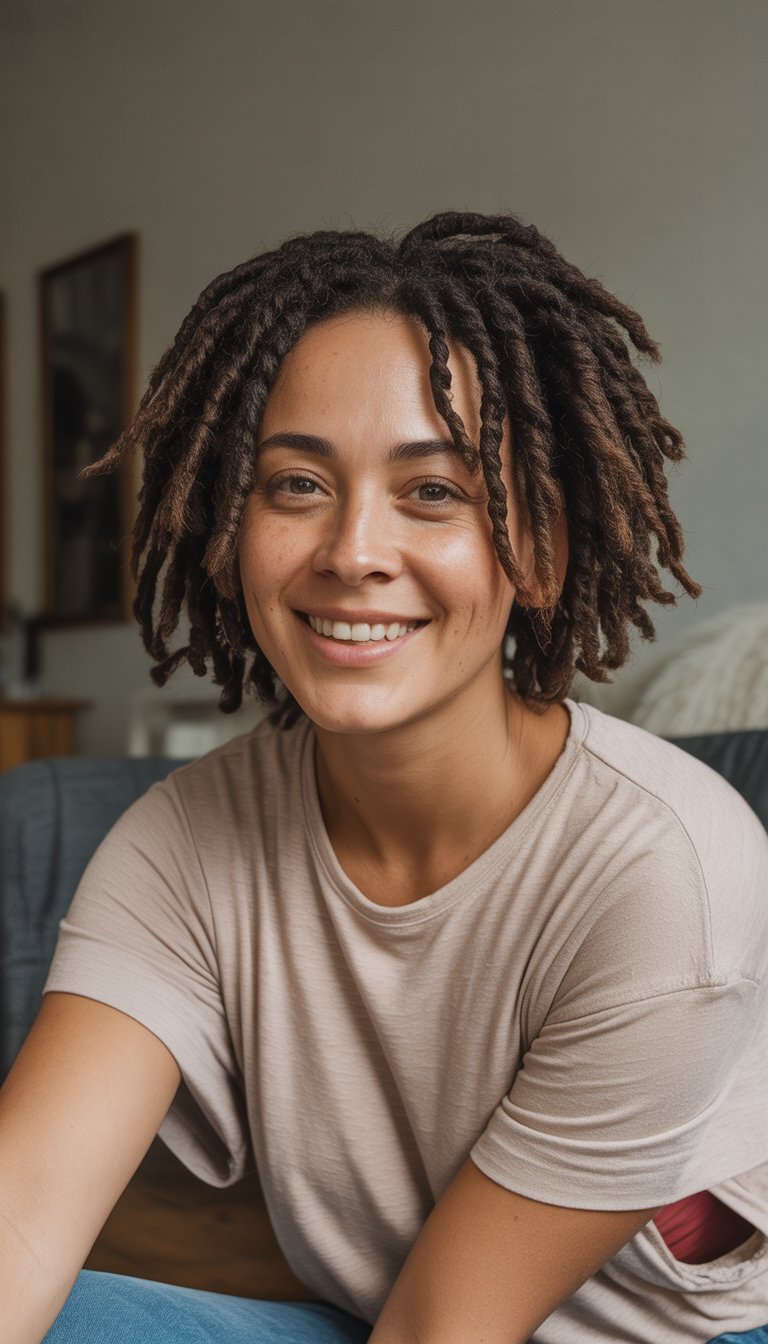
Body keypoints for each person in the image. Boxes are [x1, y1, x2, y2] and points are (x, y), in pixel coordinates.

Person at [1, 211, 766, 1344]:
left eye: (435, 492)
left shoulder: (666, 865)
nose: (352, 550)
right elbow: (21, 1215)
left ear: (542, 547)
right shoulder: (183, 844)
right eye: (296, 485)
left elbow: (442, 1330)